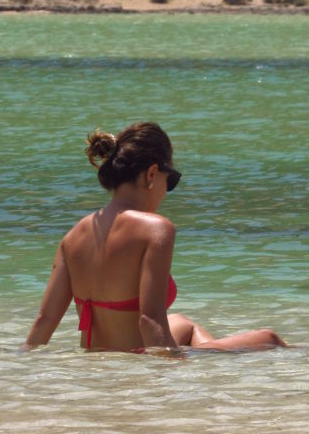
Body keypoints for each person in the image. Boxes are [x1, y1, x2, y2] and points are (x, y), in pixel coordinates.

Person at [25, 122, 286, 353]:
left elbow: (44, 321)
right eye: (170, 181)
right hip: (140, 358)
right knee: (269, 338)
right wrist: (166, 382)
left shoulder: (72, 237)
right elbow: (149, 321)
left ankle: (212, 371)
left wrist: (19, 363)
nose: (166, 191)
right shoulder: (156, 229)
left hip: (101, 359)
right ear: (151, 174)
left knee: (184, 323)